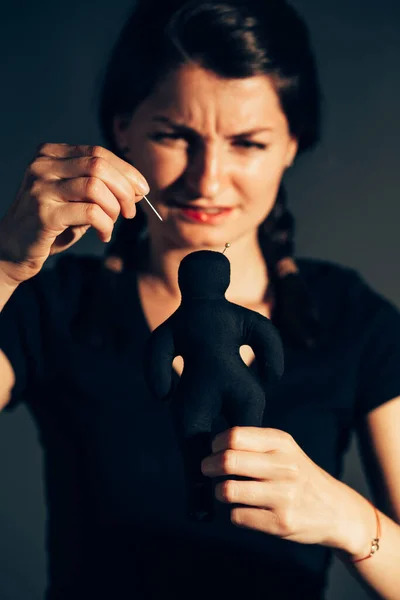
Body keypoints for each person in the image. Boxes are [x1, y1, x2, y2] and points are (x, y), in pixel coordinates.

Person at [1, 0, 400, 598]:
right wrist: (6, 263)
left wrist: (348, 519)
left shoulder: (353, 320)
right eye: (172, 135)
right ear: (122, 130)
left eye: (248, 143)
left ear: (293, 142)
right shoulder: (51, 305)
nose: (207, 180)